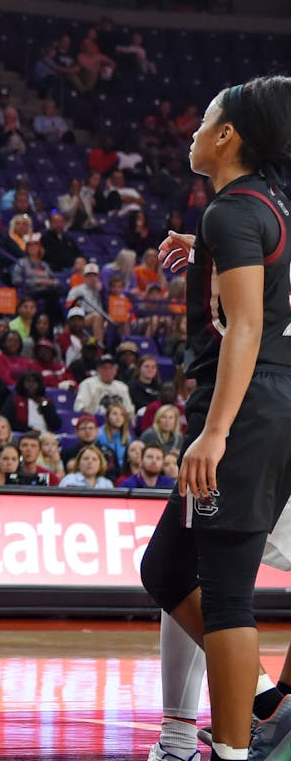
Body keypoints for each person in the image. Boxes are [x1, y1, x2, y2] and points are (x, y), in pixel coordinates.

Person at [140, 77, 291, 761]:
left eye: (204, 120)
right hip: (278, 404)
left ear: (228, 136)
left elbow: (248, 327)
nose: (192, 131)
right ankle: (259, 699)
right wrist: (206, 252)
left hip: (249, 411)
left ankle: (232, 749)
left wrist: (216, 430)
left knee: (226, 596)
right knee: (167, 569)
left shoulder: (231, 211)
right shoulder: (272, 204)